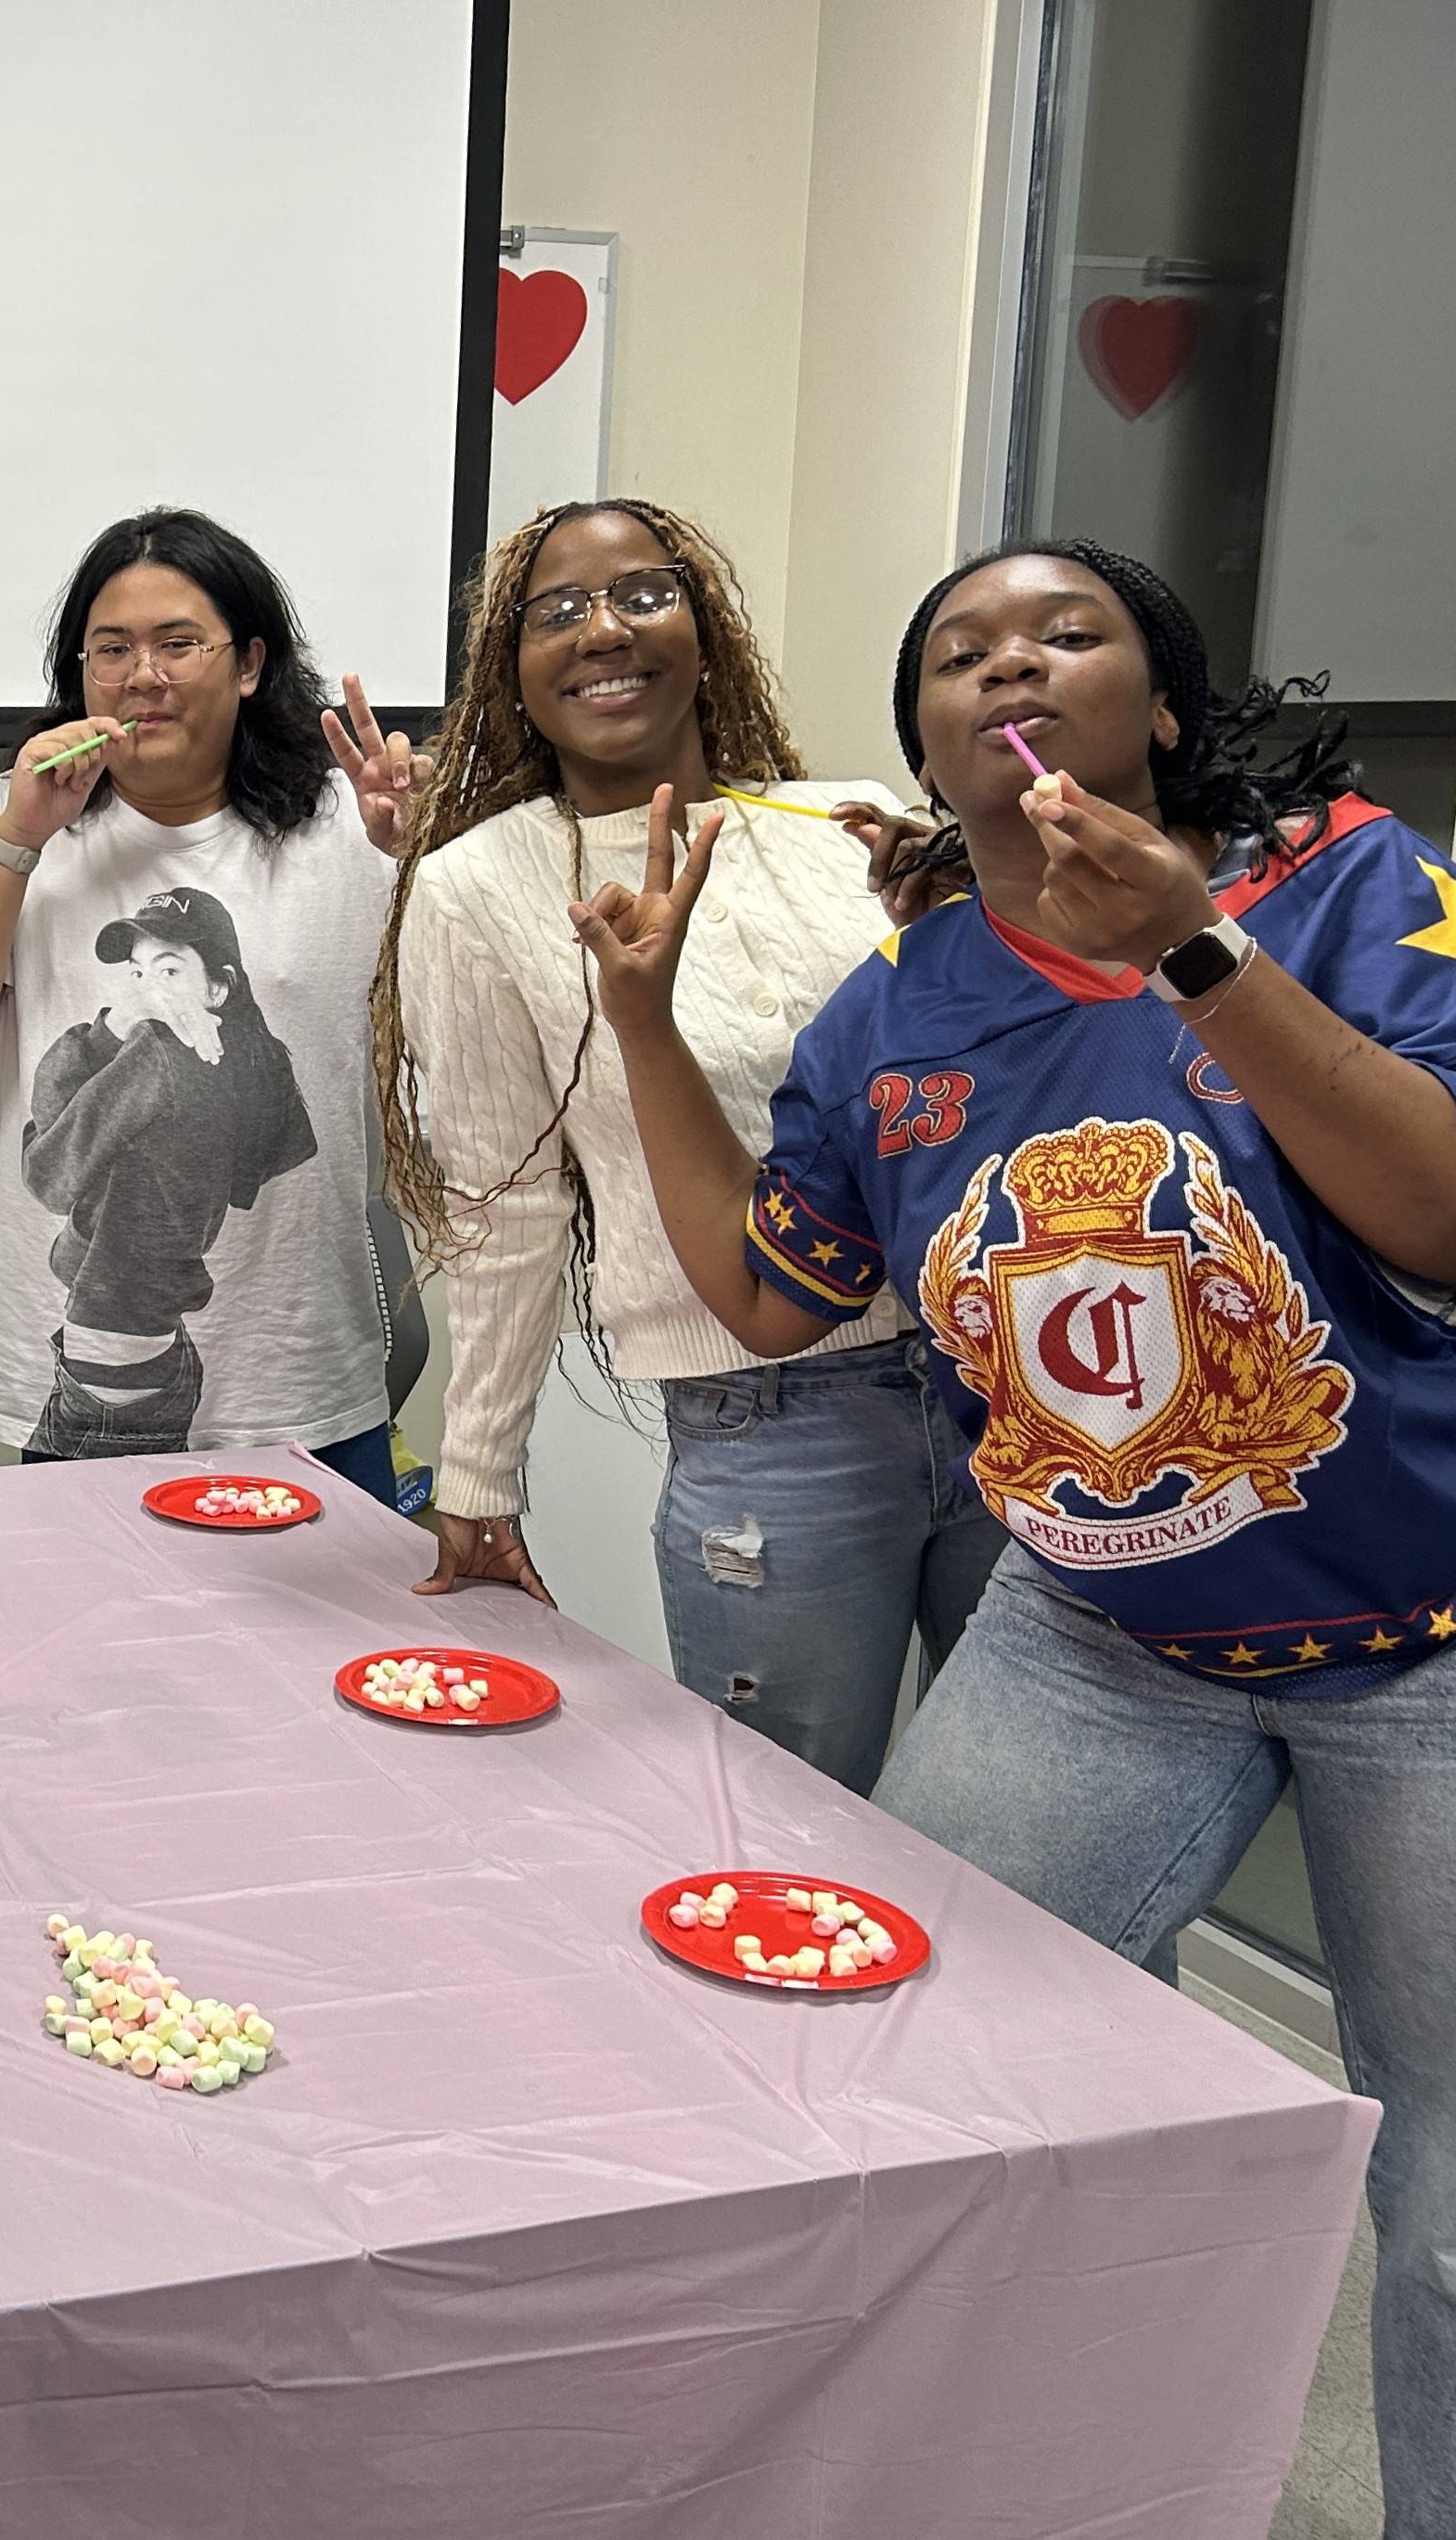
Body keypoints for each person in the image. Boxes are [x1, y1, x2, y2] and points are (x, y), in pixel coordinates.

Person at [580, 535, 1456, 2538]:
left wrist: (1197, 956)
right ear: (922, 742)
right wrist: (639, 1017)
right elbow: (768, 1293)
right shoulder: (887, 1012)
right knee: (906, 2048)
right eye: (958, 650)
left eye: (1069, 632)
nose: (1011, 664)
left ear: (1154, 708)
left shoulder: (1342, 886)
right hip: (1110, 1638)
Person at [371, 498, 1000, 1793]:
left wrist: (976, 914)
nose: (601, 628)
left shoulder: (854, 828)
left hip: (1000, 1391)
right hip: (771, 1425)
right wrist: (478, 1473)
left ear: (703, 634)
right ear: (512, 673)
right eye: (555, 612)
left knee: (1045, 1829)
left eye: (641, 594)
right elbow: (503, 1207)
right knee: (785, 1829)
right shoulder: (476, 885)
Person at [0, 507, 397, 1493]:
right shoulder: (13, 815)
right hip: (94, 1377)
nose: (142, 676)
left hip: (303, 1375)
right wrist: (20, 834)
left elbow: (456, 1038)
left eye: (179, 644)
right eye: (111, 649)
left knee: (333, 1643)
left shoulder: (346, 824)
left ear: (248, 663)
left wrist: (418, 852)